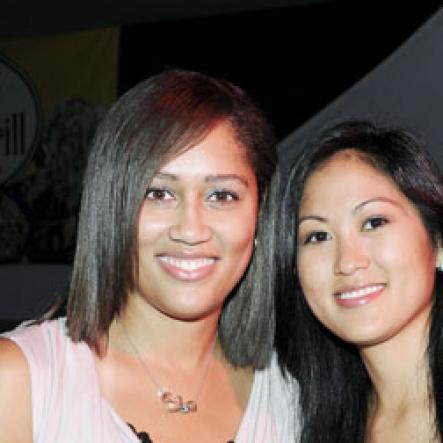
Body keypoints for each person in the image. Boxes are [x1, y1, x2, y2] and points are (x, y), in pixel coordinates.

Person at [0, 69, 298, 443]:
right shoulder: (20, 383)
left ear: (260, 213)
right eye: (158, 193)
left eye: (221, 196)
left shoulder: (294, 401)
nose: (191, 230)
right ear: (112, 206)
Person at [275, 120, 443, 442]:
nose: (348, 262)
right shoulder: (309, 428)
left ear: (437, 244)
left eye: (373, 222)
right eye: (318, 236)